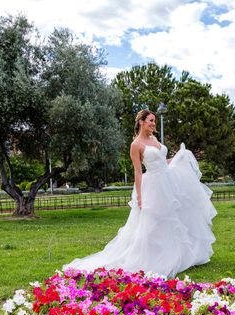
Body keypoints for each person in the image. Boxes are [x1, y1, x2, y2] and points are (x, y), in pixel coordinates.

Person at [64, 109, 216, 277]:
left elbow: (161, 161)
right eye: (150, 120)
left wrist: (177, 158)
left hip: (169, 181)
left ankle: (178, 253)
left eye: (155, 121)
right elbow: (137, 172)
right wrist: (139, 196)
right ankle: (154, 256)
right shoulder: (136, 145)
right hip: (154, 185)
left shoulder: (154, 138)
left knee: (175, 217)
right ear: (141, 122)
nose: (153, 124)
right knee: (155, 220)